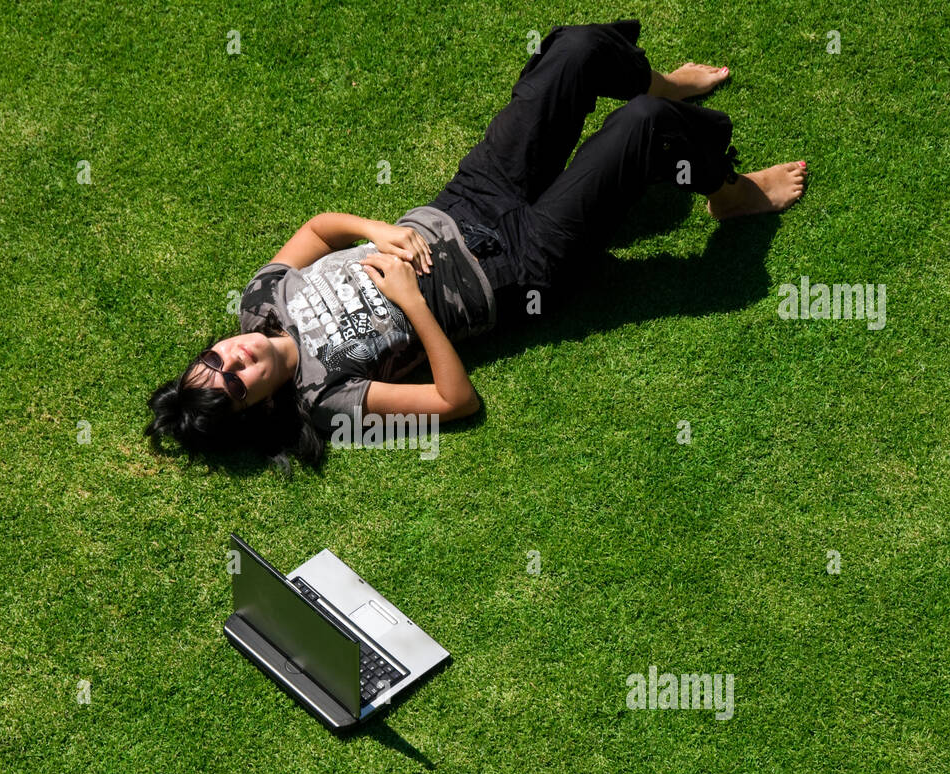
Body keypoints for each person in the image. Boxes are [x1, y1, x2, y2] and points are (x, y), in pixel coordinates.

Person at [145, 19, 808, 470]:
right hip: (517, 268)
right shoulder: (323, 399)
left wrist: (375, 229)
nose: (238, 359)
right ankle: (729, 191)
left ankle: (660, 79)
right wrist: (412, 301)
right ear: (259, 407)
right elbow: (454, 402)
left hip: (463, 201)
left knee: (576, 50)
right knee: (639, 127)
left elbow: (319, 230)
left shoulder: (259, 301)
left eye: (217, 358)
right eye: (238, 382)